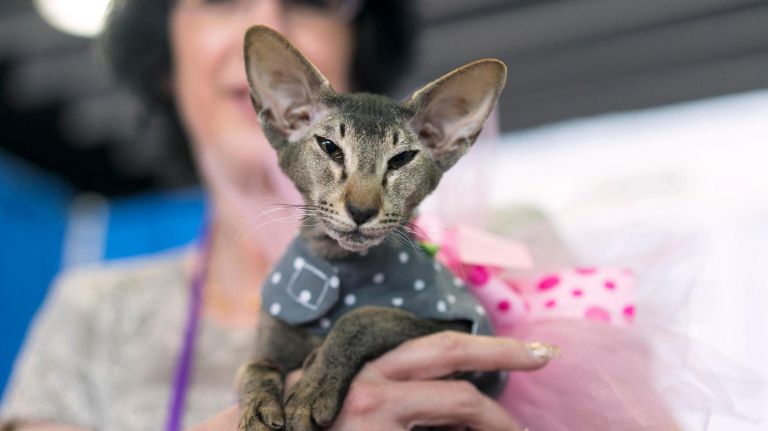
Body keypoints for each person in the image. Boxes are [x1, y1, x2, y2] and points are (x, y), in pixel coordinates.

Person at [0, 0, 564, 430]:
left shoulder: (506, 246)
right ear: (163, 55)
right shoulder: (97, 311)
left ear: (359, 44)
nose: (271, 18)